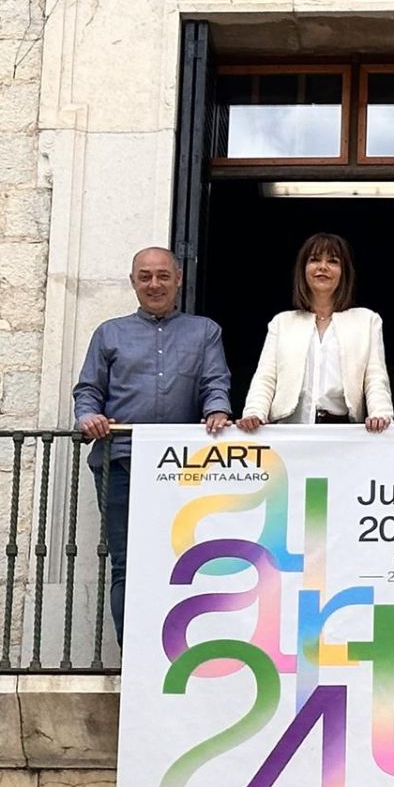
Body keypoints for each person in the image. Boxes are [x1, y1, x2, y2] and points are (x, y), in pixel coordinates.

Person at [73, 247, 233, 645]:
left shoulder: (205, 331)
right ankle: (135, 663)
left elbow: (216, 382)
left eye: (163, 276)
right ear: (133, 282)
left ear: (178, 279)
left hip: (186, 470)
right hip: (121, 464)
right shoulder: (109, 333)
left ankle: (182, 654)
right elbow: (89, 391)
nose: (154, 284)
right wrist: (87, 418)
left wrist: (217, 409)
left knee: (189, 565)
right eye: (145, 276)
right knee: (127, 566)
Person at [237, 232, 393, 433]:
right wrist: (254, 413)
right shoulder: (282, 322)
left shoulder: (366, 320)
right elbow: (266, 377)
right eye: (315, 260)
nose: (323, 267)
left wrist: (380, 414)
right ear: (303, 270)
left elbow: (375, 377)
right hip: (287, 430)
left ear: (344, 272)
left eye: (333, 261)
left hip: (343, 432)